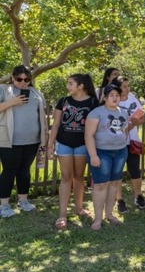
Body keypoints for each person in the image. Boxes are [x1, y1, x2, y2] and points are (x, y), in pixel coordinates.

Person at [47, 73, 99, 229]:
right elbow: (55, 125)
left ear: (81, 86)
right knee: (66, 177)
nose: (68, 86)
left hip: (83, 145)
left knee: (78, 177)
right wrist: (50, 146)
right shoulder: (64, 101)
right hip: (64, 143)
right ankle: (62, 215)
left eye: (70, 83)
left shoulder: (93, 102)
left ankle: (79, 208)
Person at [0, 65, 48, 218]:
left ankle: (23, 201)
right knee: (9, 171)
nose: (23, 83)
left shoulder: (36, 93)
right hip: (9, 140)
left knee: (24, 170)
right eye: (19, 79)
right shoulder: (3, 90)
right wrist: (11, 102)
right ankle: (4, 205)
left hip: (32, 141)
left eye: (27, 79)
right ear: (12, 78)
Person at [85, 84, 132, 230]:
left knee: (114, 183)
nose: (114, 98)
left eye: (117, 95)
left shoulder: (123, 112)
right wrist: (93, 155)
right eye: (111, 95)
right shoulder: (96, 113)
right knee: (100, 185)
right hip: (101, 152)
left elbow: (123, 130)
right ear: (105, 97)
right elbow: (89, 135)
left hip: (119, 152)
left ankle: (109, 214)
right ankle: (98, 219)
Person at [114, 76, 145, 213]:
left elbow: (142, 117)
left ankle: (138, 196)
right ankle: (120, 200)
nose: (127, 89)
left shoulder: (133, 99)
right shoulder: (113, 100)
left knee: (135, 169)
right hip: (117, 142)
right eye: (124, 86)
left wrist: (136, 121)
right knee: (117, 172)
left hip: (133, 140)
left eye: (128, 86)